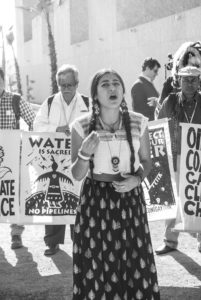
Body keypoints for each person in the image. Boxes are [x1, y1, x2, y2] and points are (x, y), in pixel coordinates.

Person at [71, 68, 160, 299]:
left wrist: (137, 179)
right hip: (94, 200)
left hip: (130, 199)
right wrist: (83, 155)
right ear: (95, 94)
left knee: (133, 260)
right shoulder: (81, 126)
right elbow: (78, 174)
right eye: (105, 84)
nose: (112, 88)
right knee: (95, 262)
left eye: (116, 83)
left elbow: (147, 162)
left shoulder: (139, 122)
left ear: (122, 90)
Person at [33, 64, 90, 256]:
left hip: (79, 159)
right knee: (55, 199)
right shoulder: (49, 103)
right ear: (58, 85)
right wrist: (56, 129)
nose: (66, 88)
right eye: (62, 85)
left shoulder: (87, 103)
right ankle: (52, 242)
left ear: (77, 84)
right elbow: (37, 126)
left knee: (79, 199)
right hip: (54, 159)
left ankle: (79, 241)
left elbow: (95, 126)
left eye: (70, 84)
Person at [155, 66, 201, 255]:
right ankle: (170, 241)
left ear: (199, 81)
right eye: (185, 79)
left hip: (198, 156)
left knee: (198, 198)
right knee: (173, 200)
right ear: (179, 81)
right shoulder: (170, 101)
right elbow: (158, 125)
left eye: (193, 79)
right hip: (175, 156)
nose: (189, 83)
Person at [0, 68, 35, 249]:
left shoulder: (15, 100)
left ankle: (16, 234)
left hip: (12, 157)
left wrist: (25, 142)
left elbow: (33, 120)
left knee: (13, 193)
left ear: (3, 81)